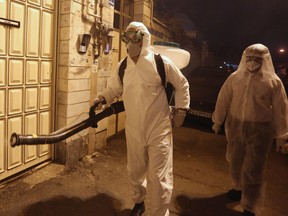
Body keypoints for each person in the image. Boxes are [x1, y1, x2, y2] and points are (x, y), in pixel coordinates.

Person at [91, 21, 190, 216]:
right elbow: (114, 89)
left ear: (144, 39)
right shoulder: (123, 66)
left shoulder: (160, 62)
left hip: (158, 129)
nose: (130, 42)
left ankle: (159, 213)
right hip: (134, 128)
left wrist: (181, 110)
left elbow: (182, 84)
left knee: (159, 177)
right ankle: (138, 202)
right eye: (126, 37)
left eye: (134, 37)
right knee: (135, 171)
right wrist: (102, 98)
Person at [212, 43, 288, 216]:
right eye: (250, 58)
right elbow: (223, 99)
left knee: (254, 167)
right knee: (235, 161)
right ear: (244, 58)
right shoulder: (235, 78)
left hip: (260, 130)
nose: (252, 62)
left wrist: (282, 135)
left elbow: (281, 109)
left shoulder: (273, 82)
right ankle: (237, 188)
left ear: (265, 60)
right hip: (236, 125)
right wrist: (218, 120)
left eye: (257, 59)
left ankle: (250, 206)